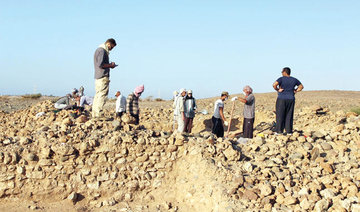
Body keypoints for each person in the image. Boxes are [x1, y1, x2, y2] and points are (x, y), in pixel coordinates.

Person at [273, 67, 304, 134]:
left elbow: (274, 85)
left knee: (280, 114)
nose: (281, 73)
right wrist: (295, 90)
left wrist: (278, 90)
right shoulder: (294, 79)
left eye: (282, 71)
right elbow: (301, 87)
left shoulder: (281, 79)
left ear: (284, 72)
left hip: (282, 98)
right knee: (289, 114)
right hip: (291, 98)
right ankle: (289, 131)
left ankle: (279, 131)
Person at [92, 38, 117, 119]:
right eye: (111, 47)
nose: (111, 49)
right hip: (102, 76)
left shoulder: (98, 50)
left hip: (98, 76)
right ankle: (98, 114)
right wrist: (110, 65)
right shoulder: (102, 51)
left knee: (98, 95)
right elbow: (101, 64)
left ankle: (95, 114)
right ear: (108, 44)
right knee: (102, 95)